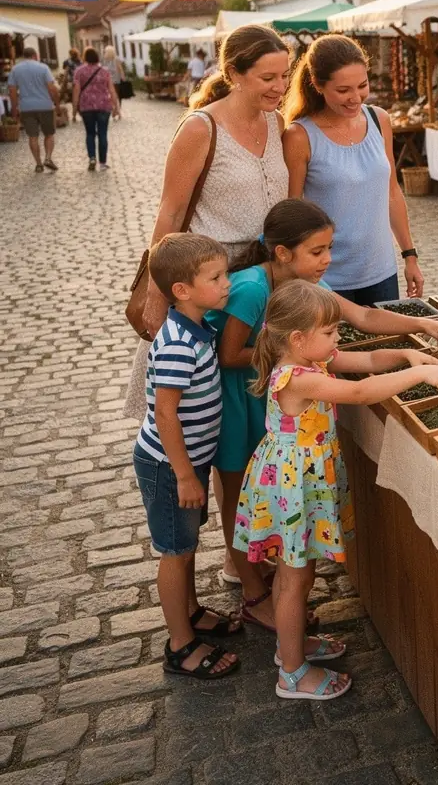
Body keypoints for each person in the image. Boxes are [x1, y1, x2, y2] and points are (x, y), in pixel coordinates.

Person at [207, 197, 438, 631]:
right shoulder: (255, 289)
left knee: (284, 533)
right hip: (243, 395)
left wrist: (422, 327)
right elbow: (230, 353)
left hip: (283, 397)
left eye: (330, 248)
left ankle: (275, 576)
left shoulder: (307, 296)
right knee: (240, 490)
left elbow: (364, 317)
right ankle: (254, 591)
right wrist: (295, 365)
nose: (328, 260)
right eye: (317, 251)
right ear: (283, 253)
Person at [235, 279, 438, 699]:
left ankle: (293, 644)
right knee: (293, 576)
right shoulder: (296, 378)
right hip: (294, 486)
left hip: (301, 480)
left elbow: (371, 359)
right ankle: (292, 673)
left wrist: (407, 353)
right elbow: (357, 391)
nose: (338, 339)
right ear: (299, 339)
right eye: (330, 333)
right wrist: (420, 373)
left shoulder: (313, 360)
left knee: (300, 574)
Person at [127, 24, 293, 586]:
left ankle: (253, 542)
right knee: (226, 436)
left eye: (285, 75)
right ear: (236, 72)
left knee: (258, 422)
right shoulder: (201, 128)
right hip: (210, 289)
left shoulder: (277, 124)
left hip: (261, 286)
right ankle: (234, 555)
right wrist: (157, 296)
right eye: (268, 77)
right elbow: (170, 217)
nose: (279, 86)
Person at [133, 232, 242, 680]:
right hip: (169, 465)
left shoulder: (199, 325)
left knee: (189, 541)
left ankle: (192, 612)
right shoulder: (178, 342)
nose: (227, 283)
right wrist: (184, 474)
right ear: (182, 291)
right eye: (216, 277)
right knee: (176, 550)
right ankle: (181, 645)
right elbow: (165, 412)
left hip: (187, 462)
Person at [282, 34, 426, 303]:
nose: (355, 97)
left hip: (381, 272)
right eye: (343, 90)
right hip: (327, 278)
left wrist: (410, 256)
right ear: (317, 85)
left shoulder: (379, 119)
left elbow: (392, 192)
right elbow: (292, 210)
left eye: (362, 86)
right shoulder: (300, 136)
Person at [8, 47, 60, 172]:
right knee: (49, 134)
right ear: (35, 55)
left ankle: (38, 164)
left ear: (24, 56)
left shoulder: (15, 69)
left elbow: (12, 91)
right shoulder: (43, 68)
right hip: (45, 106)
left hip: (26, 107)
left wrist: (14, 109)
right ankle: (47, 158)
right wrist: (57, 104)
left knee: (33, 136)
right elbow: (52, 88)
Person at [73, 47, 120, 171]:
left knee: (90, 133)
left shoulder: (79, 71)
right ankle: (103, 163)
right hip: (104, 106)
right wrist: (116, 107)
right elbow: (111, 90)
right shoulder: (104, 71)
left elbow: (76, 91)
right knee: (103, 134)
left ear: (85, 57)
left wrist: (74, 109)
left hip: (86, 106)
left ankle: (92, 157)